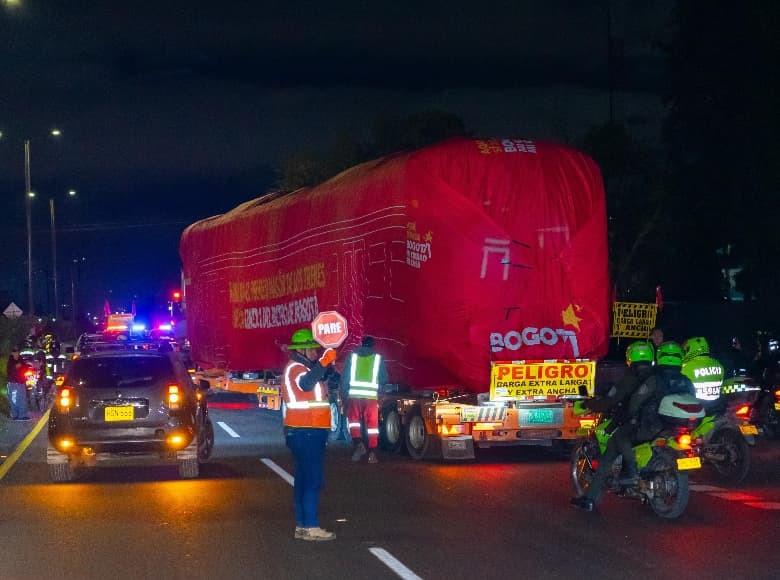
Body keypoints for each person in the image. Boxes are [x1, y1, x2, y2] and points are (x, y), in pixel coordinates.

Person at [571, 341, 655, 511]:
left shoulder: (629, 379)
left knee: (609, 455)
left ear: (630, 358)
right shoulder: (657, 376)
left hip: (636, 425)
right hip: (657, 425)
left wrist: (590, 404)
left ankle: (590, 500)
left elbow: (610, 401)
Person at [282, 328, 338, 542]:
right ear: (302, 349)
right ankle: (311, 526)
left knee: (304, 479)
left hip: (305, 431)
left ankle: (303, 526)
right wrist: (323, 363)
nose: (315, 352)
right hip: (306, 431)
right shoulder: (295, 368)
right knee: (313, 479)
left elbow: (324, 376)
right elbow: (306, 384)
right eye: (312, 349)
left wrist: (328, 364)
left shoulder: (304, 367)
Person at [340, 336, 388, 464]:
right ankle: (372, 453)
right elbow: (384, 379)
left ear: (361, 344)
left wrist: (344, 396)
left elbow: (344, 378)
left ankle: (359, 444)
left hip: (354, 396)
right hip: (371, 397)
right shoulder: (378, 358)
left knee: (354, 422)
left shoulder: (352, 356)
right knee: (372, 425)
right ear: (373, 345)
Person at [681, 337, 724, 402]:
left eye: (685, 350)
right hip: (717, 404)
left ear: (690, 349)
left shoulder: (686, 366)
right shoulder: (718, 364)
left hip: (697, 406)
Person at [6, 347, 31, 421]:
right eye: (14, 352)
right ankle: (15, 415)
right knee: (14, 399)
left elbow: (26, 367)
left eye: (17, 352)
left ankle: (22, 415)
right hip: (13, 383)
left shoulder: (21, 360)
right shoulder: (10, 361)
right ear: (12, 353)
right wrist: (15, 367)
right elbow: (10, 371)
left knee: (23, 399)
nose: (16, 353)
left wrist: (24, 367)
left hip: (21, 382)